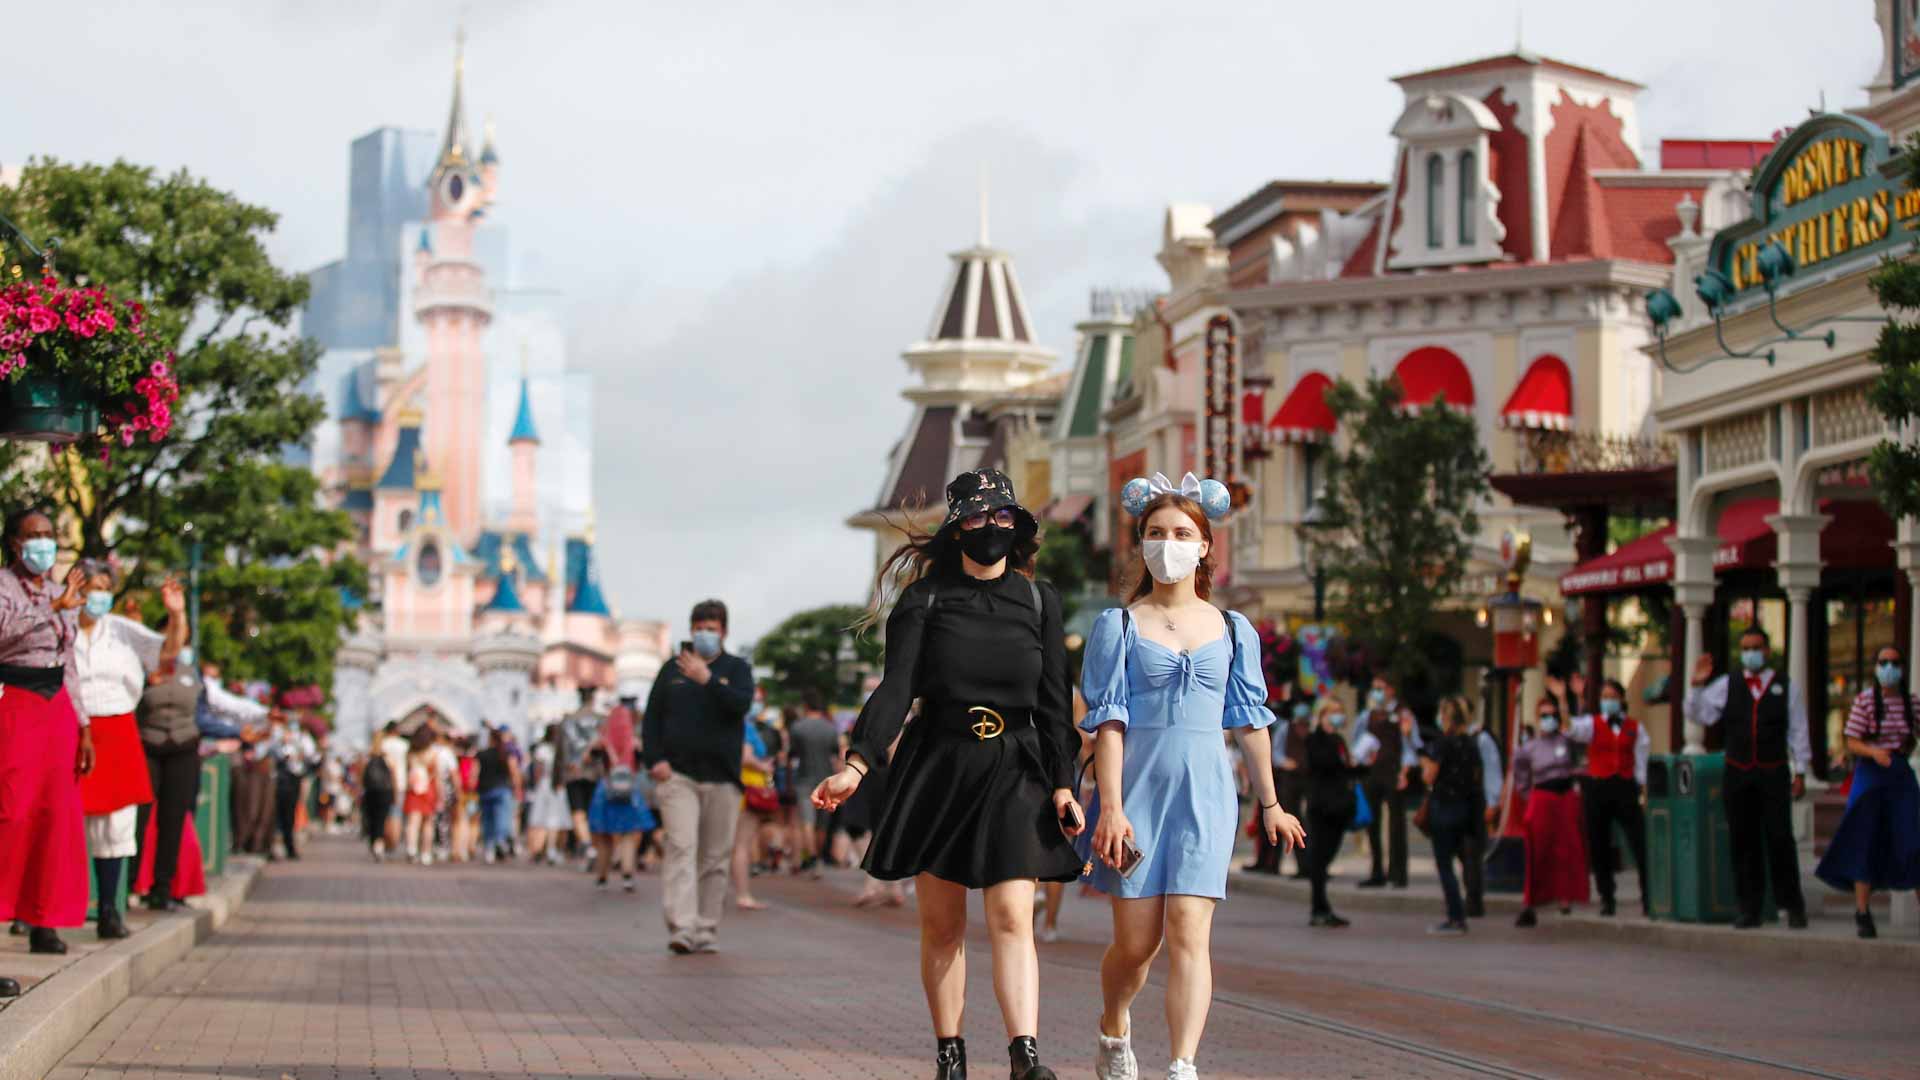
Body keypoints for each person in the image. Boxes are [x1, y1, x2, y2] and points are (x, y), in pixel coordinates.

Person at [812, 468, 1085, 1080]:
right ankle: (951, 1054)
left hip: (1016, 766)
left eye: (1002, 516)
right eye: (977, 517)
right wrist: (857, 765)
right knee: (943, 923)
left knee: (1014, 913)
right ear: (956, 527)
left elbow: (1053, 701)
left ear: (1018, 526)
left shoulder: (1042, 602)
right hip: (940, 761)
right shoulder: (924, 600)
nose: (991, 527)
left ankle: (1025, 1055)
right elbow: (897, 689)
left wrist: (1065, 781)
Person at [1081, 474, 1305, 1080]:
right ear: (1141, 543)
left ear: (1205, 546)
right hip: (1137, 795)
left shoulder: (1235, 629)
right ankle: (1114, 1026)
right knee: (1136, 945)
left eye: (1182, 533)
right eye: (1156, 533)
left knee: (1189, 932)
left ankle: (1182, 1064)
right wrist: (1110, 806)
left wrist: (1272, 802)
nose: (1169, 543)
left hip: (1207, 794)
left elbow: (1251, 721)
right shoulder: (1118, 626)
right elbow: (1108, 725)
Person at [0, 507, 93, 983]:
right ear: (15, 544)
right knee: (12, 813)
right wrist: (49, 610)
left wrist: (84, 725)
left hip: (56, 704)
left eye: (49, 535)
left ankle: (45, 917)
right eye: (33, 536)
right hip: (14, 699)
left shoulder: (63, 592)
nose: (44, 544)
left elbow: (69, 660)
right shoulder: (5, 586)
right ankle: (7, 912)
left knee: (56, 815)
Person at [72, 562, 184, 940]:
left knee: (116, 826)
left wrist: (176, 614)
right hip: (70, 726)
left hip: (116, 727)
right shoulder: (59, 625)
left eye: (105, 587)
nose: (97, 595)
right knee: (61, 822)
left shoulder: (121, 631)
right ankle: (39, 912)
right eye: (91, 586)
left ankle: (108, 909)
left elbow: (167, 651)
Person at [643, 599, 756, 954]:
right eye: (699, 627)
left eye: (712, 627)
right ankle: (682, 926)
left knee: (714, 857)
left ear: (723, 632)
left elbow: (740, 705)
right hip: (678, 776)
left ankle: (706, 928)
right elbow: (651, 719)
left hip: (722, 778)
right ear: (691, 629)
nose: (704, 633)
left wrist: (708, 680)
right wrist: (655, 759)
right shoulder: (670, 671)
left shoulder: (736, 669)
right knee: (680, 847)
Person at [1686, 627, 1811, 929]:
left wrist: (1801, 770)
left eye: (1756, 647)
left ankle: (1792, 904)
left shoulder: (1785, 685)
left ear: (1767, 650)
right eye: (1745, 648)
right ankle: (1749, 908)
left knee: (1780, 837)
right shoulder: (1728, 683)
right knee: (1744, 840)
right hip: (1738, 771)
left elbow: (1798, 729)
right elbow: (1699, 715)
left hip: (1773, 770)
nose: (1751, 653)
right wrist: (1697, 686)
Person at [1815, 644, 1920, 938]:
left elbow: (1913, 736)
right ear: (1876, 667)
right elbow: (1852, 740)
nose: (1890, 668)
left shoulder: (1910, 703)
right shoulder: (1865, 701)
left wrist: (1899, 752)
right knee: (1865, 839)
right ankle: (1862, 910)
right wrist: (1874, 753)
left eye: (1895, 663)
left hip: (1899, 773)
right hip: (1871, 773)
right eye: (1884, 662)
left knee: (1912, 839)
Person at [1565, 678, 1651, 917]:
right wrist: (1565, 699)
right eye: (1605, 697)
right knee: (1599, 845)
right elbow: (1569, 728)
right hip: (1598, 787)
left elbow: (1641, 763)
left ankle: (1648, 896)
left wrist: (1642, 790)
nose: (1609, 701)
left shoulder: (1636, 727)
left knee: (1640, 844)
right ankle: (1607, 897)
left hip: (1625, 787)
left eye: (1613, 696)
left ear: (1622, 699)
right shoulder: (1592, 725)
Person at [1511, 696, 1590, 926]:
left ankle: (1566, 897)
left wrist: (1566, 704)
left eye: (1553, 715)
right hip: (1543, 798)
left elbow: (1581, 739)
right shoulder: (1529, 747)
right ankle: (1531, 900)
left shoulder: (1566, 740)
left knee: (1568, 849)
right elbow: (1520, 774)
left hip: (1565, 797)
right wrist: (1528, 794)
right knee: (1538, 850)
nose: (1550, 720)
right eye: (1545, 716)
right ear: (1537, 718)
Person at [1418, 695, 1484, 935]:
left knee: (1445, 865)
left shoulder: (1443, 744)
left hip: (1444, 808)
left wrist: (1425, 764)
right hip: (1466, 809)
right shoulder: (1471, 744)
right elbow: (1477, 777)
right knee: (1466, 859)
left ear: (1446, 718)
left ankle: (1456, 916)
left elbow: (1429, 776)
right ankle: (1472, 902)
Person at [1303, 698, 1363, 928]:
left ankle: (1324, 907)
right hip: (1322, 806)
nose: (1338, 716)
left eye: (1340, 712)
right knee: (1319, 858)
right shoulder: (1315, 739)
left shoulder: (1339, 740)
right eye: (1333, 712)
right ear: (1322, 715)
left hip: (1340, 806)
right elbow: (1321, 764)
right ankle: (1318, 908)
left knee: (1327, 856)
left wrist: (1360, 764)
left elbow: (1346, 769)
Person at [588, 704, 654, 890]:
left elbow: (588, 760)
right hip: (629, 790)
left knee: (604, 837)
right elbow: (644, 764)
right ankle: (627, 874)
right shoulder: (634, 741)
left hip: (606, 789)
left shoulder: (603, 741)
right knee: (628, 835)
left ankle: (602, 877)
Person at [1354, 674, 1411, 889]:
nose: (1376, 692)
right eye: (1374, 688)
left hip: (1393, 772)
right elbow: (1357, 742)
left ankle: (1398, 873)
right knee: (1372, 822)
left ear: (1391, 690)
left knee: (1397, 824)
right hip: (1372, 773)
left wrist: (1404, 772)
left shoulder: (1402, 714)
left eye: (1381, 687)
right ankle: (1377, 871)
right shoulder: (1366, 716)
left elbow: (1409, 745)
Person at [786, 690, 840, 876]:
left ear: (806, 706)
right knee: (822, 824)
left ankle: (813, 858)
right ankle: (818, 858)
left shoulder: (798, 727)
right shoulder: (831, 728)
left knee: (807, 821)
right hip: (826, 777)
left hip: (804, 778)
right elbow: (836, 754)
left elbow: (792, 754)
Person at [731, 717, 778, 910]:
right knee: (742, 844)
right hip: (749, 787)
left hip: (734, 785)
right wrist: (764, 766)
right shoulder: (744, 726)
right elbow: (745, 757)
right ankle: (743, 894)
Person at [262, 710, 319, 861]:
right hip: (278, 779)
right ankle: (273, 846)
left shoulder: (302, 738)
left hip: (293, 779)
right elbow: (269, 751)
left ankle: (288, 846)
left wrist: (300, 753)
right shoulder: (276, 736)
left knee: (289, 813)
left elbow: (312, 756)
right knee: (275, 813)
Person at [557, 689, 603, 866]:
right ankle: (592, 847)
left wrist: (558, 776)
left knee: (577, 811)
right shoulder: (600, 720)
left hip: (572, 772)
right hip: (594, 773)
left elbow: (561, 751)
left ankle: (587, 845)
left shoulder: (568, 720)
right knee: (591, 812)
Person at [524, 725, 572, 864]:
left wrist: (536, 786)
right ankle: (551, 849)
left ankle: (540, 850)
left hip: (546, 785)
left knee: (541, 819)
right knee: (555, 820)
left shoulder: (543, 749)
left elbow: (538, 770)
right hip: (557, 786)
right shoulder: (561, 749)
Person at [402, 727, 439, 864]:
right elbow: (437, 775)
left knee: (413, 822)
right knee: (428, 823)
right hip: (429, 789)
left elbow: (408, 771)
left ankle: (411, 849)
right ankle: (426, 853)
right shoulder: (433, 753)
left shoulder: (411, 753)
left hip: (413, 789)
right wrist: (440, 795)